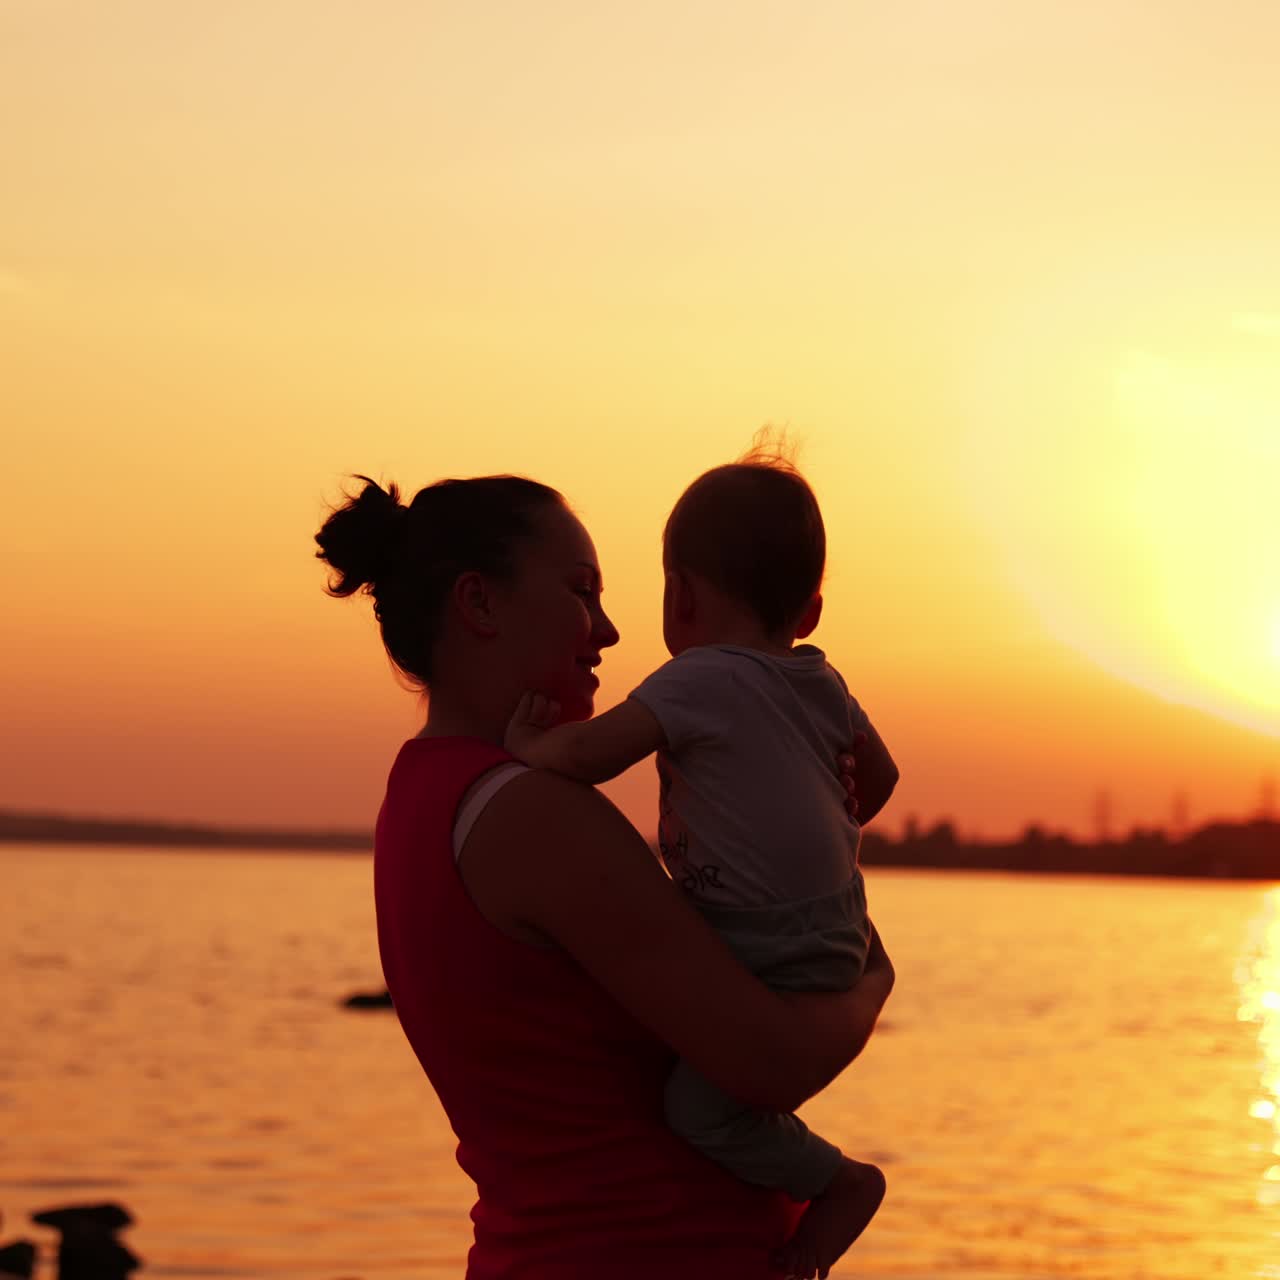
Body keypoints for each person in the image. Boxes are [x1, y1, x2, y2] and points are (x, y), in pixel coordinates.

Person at [315, 473, 895, 1280]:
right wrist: (871, 975)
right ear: (479, 604)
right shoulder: (533, 817)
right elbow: (769, 1065)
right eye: (583, 594)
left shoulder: (423, 795)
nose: (611, 631)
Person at [504, 449, 899, 1279]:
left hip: (755, 939)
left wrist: (531, 744)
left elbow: (590, 755)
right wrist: (817, 815)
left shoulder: (699, 678)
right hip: (837, 926)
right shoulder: (820, 680)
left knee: (698, 1109)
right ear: (812, 608)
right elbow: (884, 779)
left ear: (679, 594)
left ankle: (839, 1184)